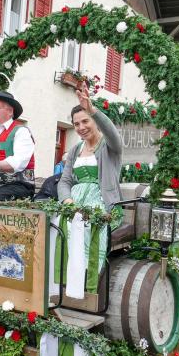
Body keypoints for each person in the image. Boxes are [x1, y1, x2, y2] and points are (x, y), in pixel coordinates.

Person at [58, 82, 122, 281]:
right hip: (74, 204)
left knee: (87, 225)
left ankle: (87, 281)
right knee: (57, 226)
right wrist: (68, 201)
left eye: (85, 121)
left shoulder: (110, 147)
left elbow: (113, 134)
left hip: (103, 204)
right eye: (76, 124)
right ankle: (63, 281)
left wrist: (92, 109)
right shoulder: (75, 150)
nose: (81, 127)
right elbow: (64, 181)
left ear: (94, 121)